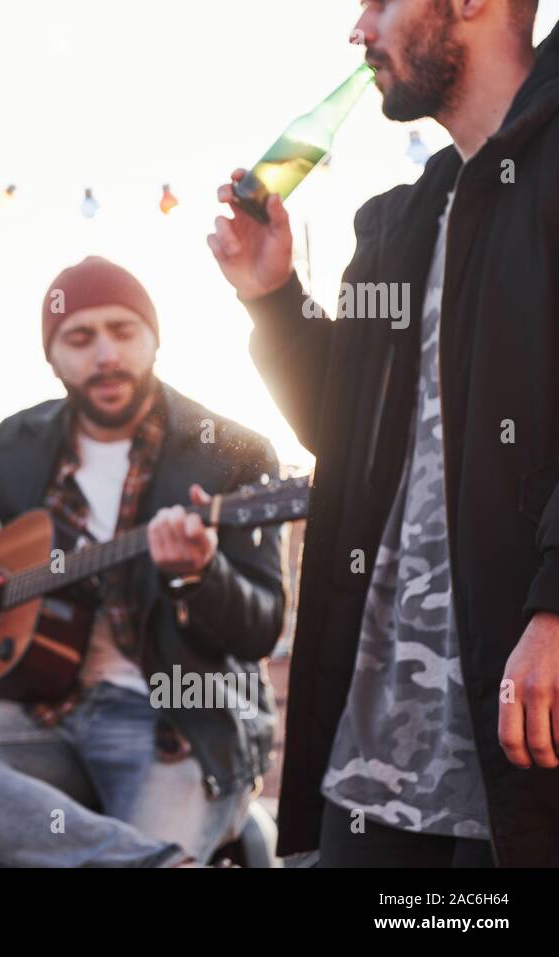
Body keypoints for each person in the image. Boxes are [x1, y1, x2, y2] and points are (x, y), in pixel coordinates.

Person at [209, 0, 558, 866]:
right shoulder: (397, 224)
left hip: (520, 750)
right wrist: (274, 298)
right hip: (379, 764)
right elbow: (349, 437)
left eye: (380, 2)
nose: (358, 30)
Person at [0, 257, 284, 866]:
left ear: (155, 339)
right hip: (46, 711)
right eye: (80, 338)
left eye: (123, 331)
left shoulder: (233, 453)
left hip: (179, 726)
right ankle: (152, 861)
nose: (106, 355)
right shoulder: (19, 446)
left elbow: (263, 625)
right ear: (52, 357)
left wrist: (199, 573)